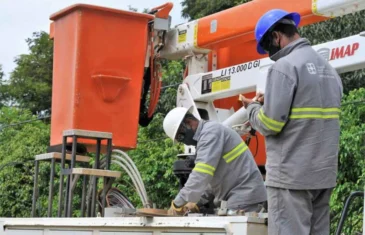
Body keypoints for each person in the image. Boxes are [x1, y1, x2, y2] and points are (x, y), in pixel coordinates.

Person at [241, 9, 343, 235]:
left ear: (277, 37)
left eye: (268, 47)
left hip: (290, 178)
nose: (270, 54)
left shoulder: (284, 67)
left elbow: (270, 124)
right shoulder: (330, 71)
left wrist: (253, 109)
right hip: (322, 176)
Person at [162, 106, 267, 215]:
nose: (183, 142)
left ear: (189, 122)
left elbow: (201, 174)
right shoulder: (207, 135)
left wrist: (178, 203)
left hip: (244, 194)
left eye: (181, 137)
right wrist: (197, 203)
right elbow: (212, 179)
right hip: (241, 193)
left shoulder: (210, 133)